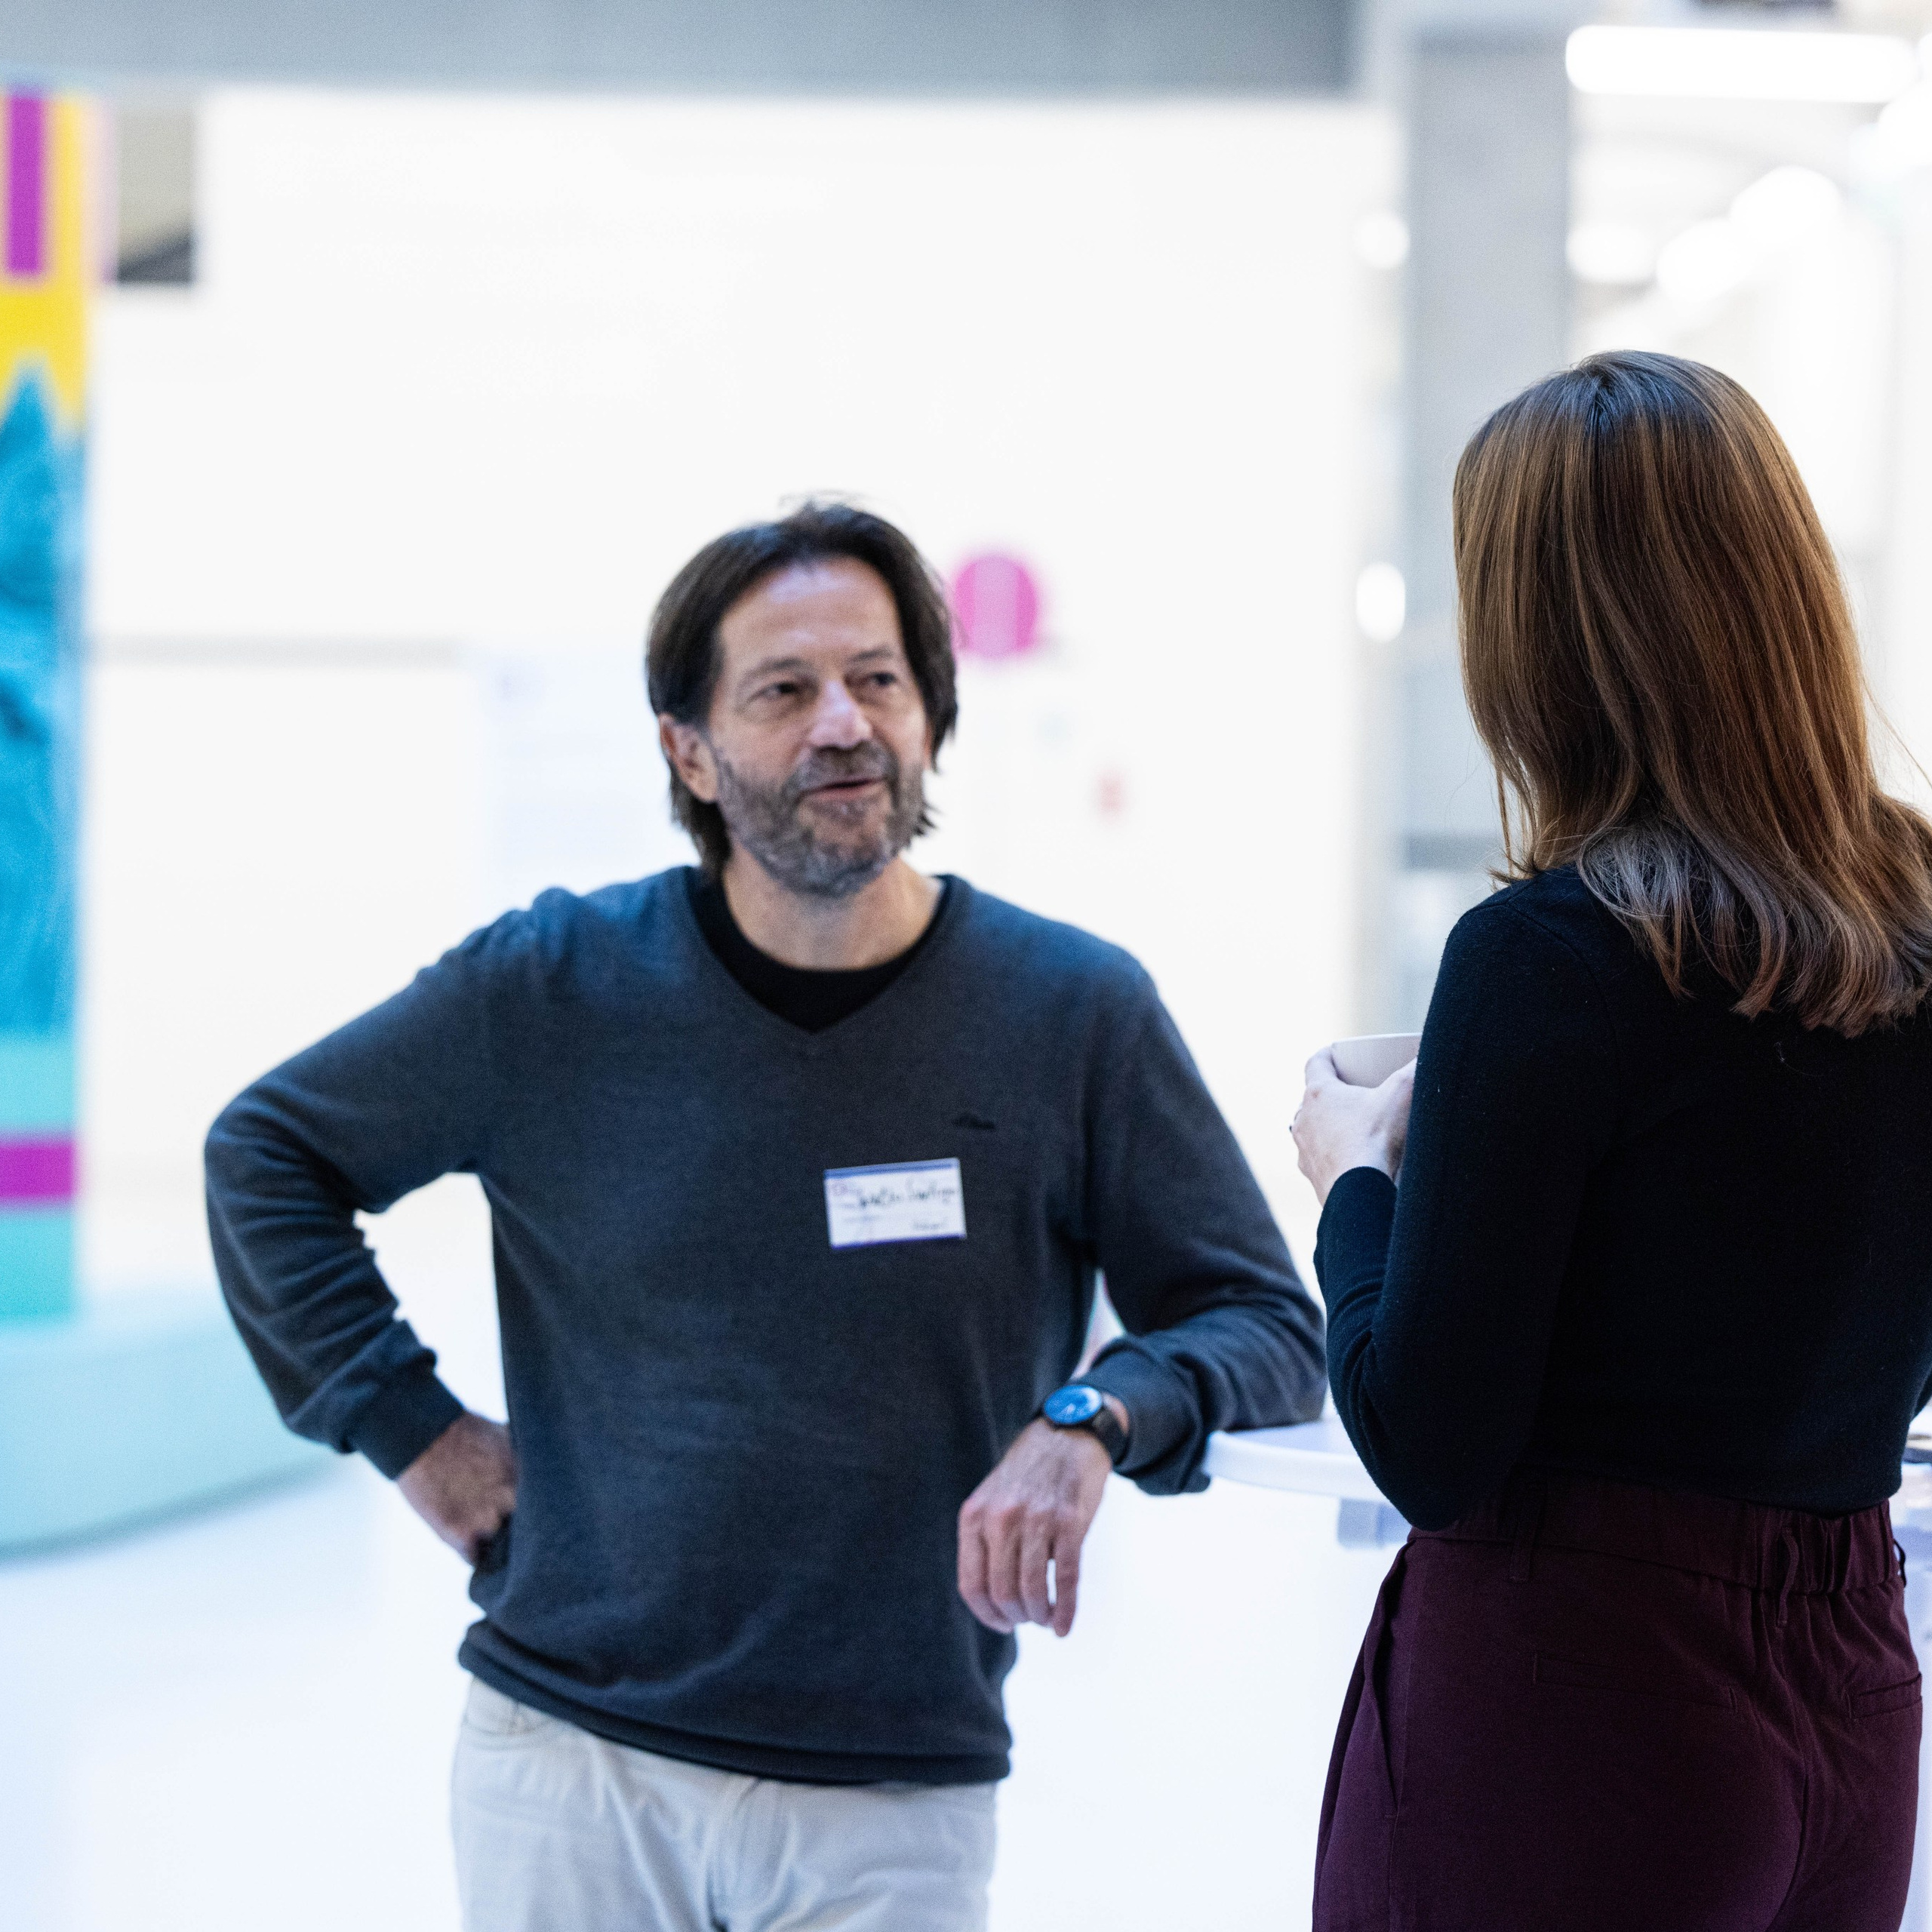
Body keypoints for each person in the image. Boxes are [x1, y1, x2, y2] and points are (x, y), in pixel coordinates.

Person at [205, 501, 1325, 1932]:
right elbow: (268, 1156)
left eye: (878, 680)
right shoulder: (553, 986)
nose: (842, 725)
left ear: (932, 714)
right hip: (570, 1761)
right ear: (690, 747)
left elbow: (1261, 1325)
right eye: (784, 691)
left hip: (894, 1791)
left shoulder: (1071, 1014)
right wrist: (411, 1432)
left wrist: (1092, 1414)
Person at [1290, 351, 1932, 1932]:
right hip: (1849, 1684)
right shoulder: (1913, 924)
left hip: (1577, 1686)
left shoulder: (1547, 953)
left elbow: (1427, 1440)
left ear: (1541, 639)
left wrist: (1354, 1179)